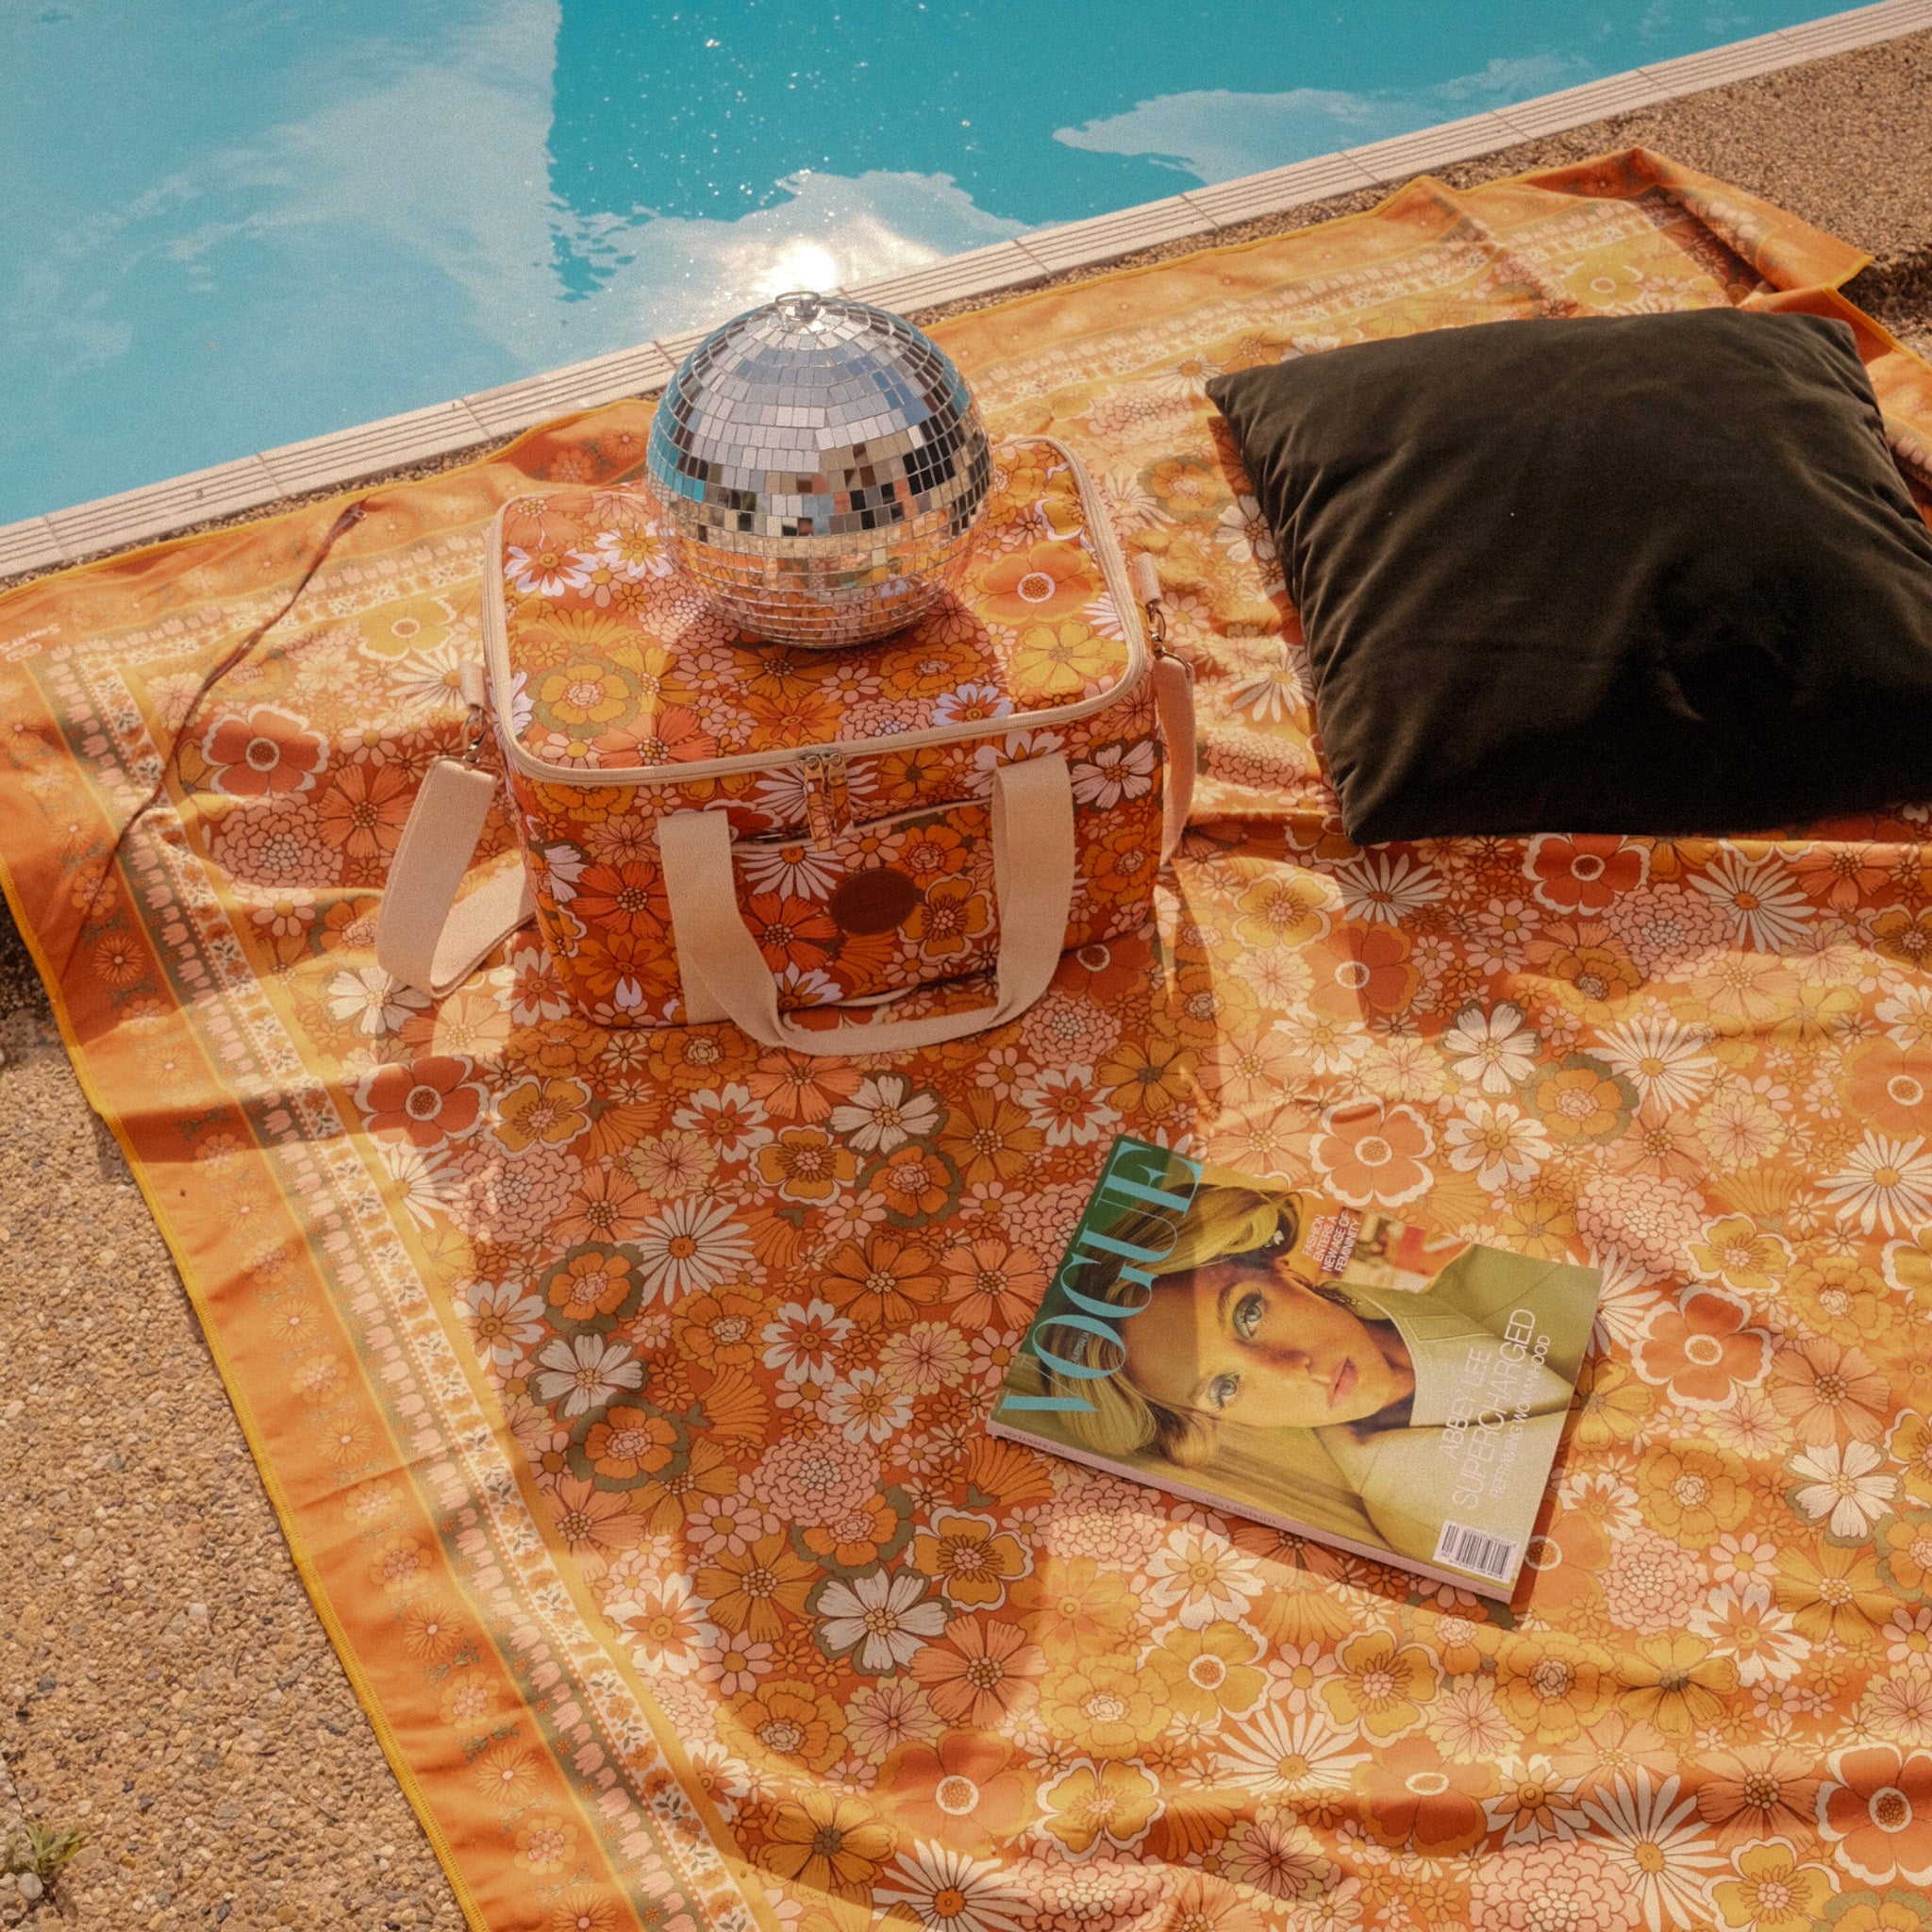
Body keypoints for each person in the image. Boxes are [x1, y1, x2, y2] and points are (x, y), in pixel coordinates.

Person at [1017, 1176, 1594, 1570]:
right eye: (1224, 1388)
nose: (1290, 1372)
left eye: (1248, 1314)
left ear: (1283, 1269)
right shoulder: (1425, 1529)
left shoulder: (1533, 1255)